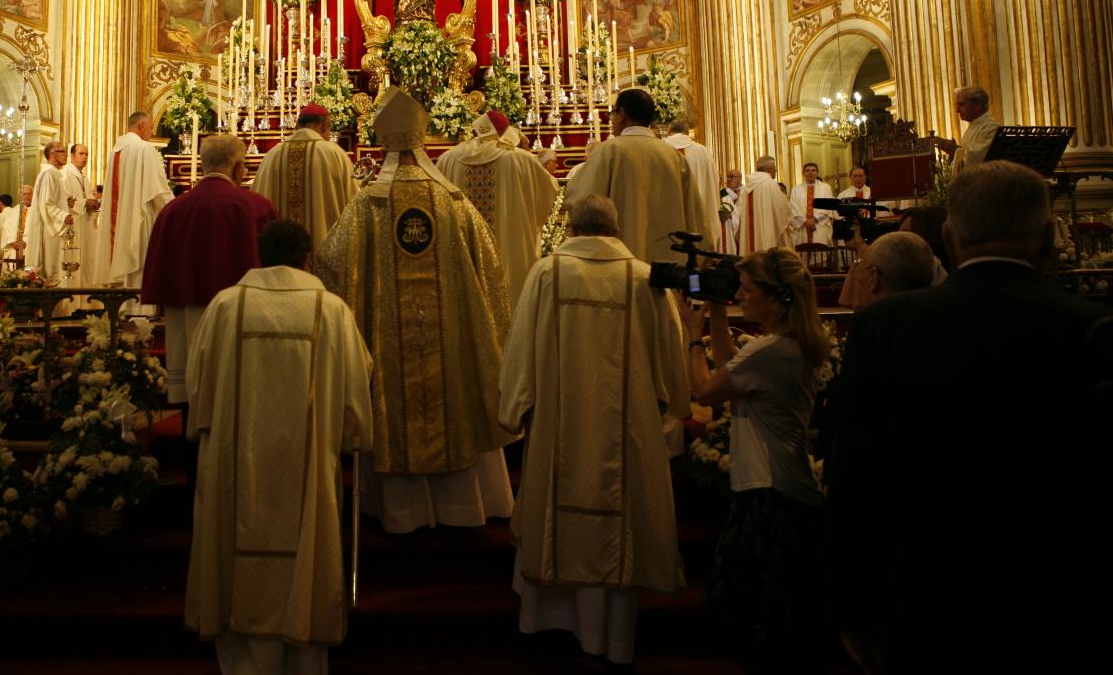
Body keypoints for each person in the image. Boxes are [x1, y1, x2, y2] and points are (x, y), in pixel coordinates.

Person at [827, 161, 1109, 671]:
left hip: (924, 587)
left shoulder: (887, 323)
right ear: (1048, 235)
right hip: (1063, 593)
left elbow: (854, 469)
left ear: (951, 238)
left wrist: (855, 604)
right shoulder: (1093, 327)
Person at [315, 88, 515, 534]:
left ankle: (404, 512)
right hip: (450, 343)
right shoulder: (452, 202)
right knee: (454, 391)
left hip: (390, 346)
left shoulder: (367, 205)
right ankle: (462, 507)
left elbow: (329, 262)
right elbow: (491, 268)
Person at [499, 195, 688, 665]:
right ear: (615, 229)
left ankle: (549, 624)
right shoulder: (644, 278)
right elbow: (670, 356)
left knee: (556, 521)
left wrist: (515, 404)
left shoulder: (547, 274)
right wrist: (671, 407)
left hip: (559, 424)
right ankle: (615, 638)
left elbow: (520, 346)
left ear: (574, 229)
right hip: (631, 429)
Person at [184, 220, 374, 675]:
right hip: (307, 466)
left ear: (260, 255)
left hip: (235, 462)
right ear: (307, 258)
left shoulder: (227, 306)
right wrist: (355, 435)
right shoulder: (330, 310)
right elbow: (355, 390)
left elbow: (199, 384)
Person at [674, 248, 830, 672]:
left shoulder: (773, 351)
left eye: (745, 290)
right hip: (779, 486)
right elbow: (733, 375)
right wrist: (719, 319)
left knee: (751, 614)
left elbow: (705, 391)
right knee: (768, 615)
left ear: (775, 296)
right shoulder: (787, 345)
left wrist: (693, 333)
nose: (739, 296)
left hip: (770, 493)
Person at [142, 134, 278, 405]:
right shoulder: (256, 206)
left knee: (191, 385)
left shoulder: (172, 209)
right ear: (238, 167)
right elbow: (273, 267)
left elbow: (159, 265)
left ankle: (188, 437)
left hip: (185, 309)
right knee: (234, 388)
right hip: (240, 312)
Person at [567, 88, 714, 263]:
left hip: (619, 263)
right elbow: (695, 213)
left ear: (621, 114)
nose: (612, 120)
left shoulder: (608, 151)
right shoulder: (672, 156)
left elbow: (581, 202)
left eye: (613, 113)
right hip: (668, 266)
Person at [437, 110, 559, 305]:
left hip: (464, 249)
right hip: (510, 249)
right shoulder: (522, 159)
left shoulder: (447, 160)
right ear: (505, 130)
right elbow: (548, 191)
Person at [251, 103, 357, 255]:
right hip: (325, 255)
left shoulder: (272, 155)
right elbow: (352, 206)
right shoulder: (335, 154)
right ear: (324, 126)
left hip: (277, 259)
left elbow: (258, 203)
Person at [99, 111, 173, 289]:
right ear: (141, 126)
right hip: (139, 215)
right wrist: (175, 207)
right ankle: (140, 311)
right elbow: (157, 189)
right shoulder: (145, 149)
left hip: (120, 217)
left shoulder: (115, 151)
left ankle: (123, 307)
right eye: (150, 127)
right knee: (140, 258)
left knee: (123, 254)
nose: (151, 131)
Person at [841, 230, 936, 311]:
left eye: (905, 230)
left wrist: (861, 251)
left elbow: (851, 302)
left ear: (874, 276)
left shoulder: (875, 323)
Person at [662, 117, 721, 232]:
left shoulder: (659, 148)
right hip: (699, 219)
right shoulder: (703, 152)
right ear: (687, 132)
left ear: (669, 131)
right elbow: (714, 181)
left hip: (667, 221)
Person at [25, 142, 71, 280]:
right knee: (51, 264)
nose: (65, 154)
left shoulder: (53, 174)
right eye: (62, 151)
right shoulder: (48, 174)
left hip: (52, 226)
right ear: (52, 154)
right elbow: (47, 205)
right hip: (50, 228)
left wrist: (66, 203)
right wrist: (64, 215)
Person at [935, 85, 999, 174]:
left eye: (961, 104)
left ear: (978, 105)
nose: (957, 110)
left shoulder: (990, 128)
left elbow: (976, 160)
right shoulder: (974, 125)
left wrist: (953, 149)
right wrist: (953, 150)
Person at [61, 143, 100, 286]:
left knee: (87, 260)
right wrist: (84, 203)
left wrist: (94, 203)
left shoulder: (85, 177)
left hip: (86, 224)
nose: (84, 157)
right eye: (81, 154)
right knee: (74, 259)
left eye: (87, 154)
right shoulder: (65, 174)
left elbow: (87, 196)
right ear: (72, 156)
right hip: (73, 224)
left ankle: (86, 301)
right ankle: (73, 301)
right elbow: (65, 199)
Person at [736, 156, 792, 255]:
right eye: (775, 168)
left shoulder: (746, 188)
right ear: (769, 169)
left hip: (751, 233)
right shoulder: (771, 184)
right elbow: (781, 210)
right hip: (767, 230)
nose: (775, 171)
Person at [788, 162, 835, 247]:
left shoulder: (826, 187)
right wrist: (805, 221)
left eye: (813, 170)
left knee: (819, 252)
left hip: (819, 224)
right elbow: (793, 207)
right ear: (803, 173)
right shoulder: (796, 189)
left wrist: (814, 219)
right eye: (807, 170)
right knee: (803, 252)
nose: (810, 172)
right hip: (802, 226)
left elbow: (827, 205)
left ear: (817, 173)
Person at [0, 187, 29, 263]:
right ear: (19, 196)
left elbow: (37, 231)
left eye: (29, 194)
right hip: (12, 249)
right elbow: (6, 229)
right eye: (24, 194)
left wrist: (26, 241)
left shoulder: (37, 212)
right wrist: (12, 242)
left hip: (29, 249)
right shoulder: (12, 212)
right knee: (11, 273)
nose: (26, 196)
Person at [720, 168, 743, 254]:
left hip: (743, 230)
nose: (729, 179)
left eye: (732, 177)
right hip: (730, 229)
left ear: (740, 178)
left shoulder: (745, 192)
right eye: (728, 177)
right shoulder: (722, 194)